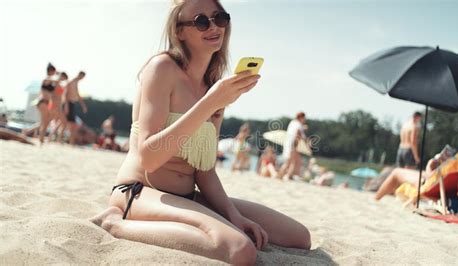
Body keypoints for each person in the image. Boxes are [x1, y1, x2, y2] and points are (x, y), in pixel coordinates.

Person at [89, 1, 311, 264]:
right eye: (201, 21)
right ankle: (114, 223)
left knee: (298, 237)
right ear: (179, 32)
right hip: (139, 191)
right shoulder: (162, 69)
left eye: (220, 18)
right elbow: (148, 157)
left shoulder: (214, 87)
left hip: (187, 196)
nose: (214, 26)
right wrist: (209, 104)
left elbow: (204, 170)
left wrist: (232, 214)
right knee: (239, 250)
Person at [374, 146, 454, 201]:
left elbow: (430, 177)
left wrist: (429, 164)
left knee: (396, 171)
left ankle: (376, 198)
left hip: (428, 184)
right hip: (442, 187)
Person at [278, 112, 308, 180]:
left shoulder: (293, 123)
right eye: (304, 118)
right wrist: (305, 142)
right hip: (293, 145)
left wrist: (303, 128)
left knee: (291, 161)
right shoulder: (298, 124)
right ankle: (284, 175)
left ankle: (284, 175)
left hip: (289, 143)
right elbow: (298, 134)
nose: (305, 120)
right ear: (301, 118)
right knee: (290, 162)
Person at [63, 71, 87, 145]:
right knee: (70, 124)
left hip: (71, 103)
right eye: (82, 77)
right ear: (79, 75)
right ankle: (70, 142)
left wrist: (83, 105)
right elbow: (66, 93)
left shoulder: (76, 82)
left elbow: (78, 95)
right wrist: (66, 105)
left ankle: (68, 141)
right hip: (69, 103)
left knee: (65, 123)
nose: (82, 78)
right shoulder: (72, 82)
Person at [37, 63, 58, 144]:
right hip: (43, 101)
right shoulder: (47, 79)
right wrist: (58, 76)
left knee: (46, 120)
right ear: (51, 71)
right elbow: (54, 80)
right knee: (45, 120)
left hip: (47, 102)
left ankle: (41, 137)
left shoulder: (52, 80)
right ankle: (41, 137)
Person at [48, 72, 69, 143]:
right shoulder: (55, 83)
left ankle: (52, 137)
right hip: (55, 106)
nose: (63, 80)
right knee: (64, 122)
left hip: (57, 106)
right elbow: (52, 95)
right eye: (64, 78)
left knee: (48, 121)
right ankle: (56, 139)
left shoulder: (58, 83)